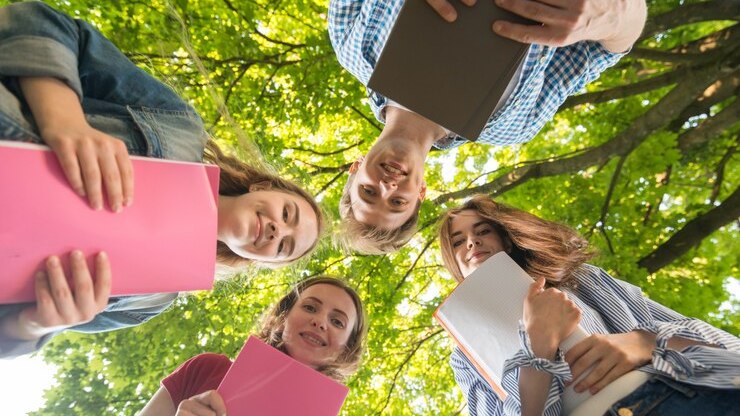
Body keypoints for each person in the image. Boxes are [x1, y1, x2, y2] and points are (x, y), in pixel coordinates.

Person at [0, 2, 323, 358]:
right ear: (263, 187)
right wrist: (64, 120)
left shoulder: (149, 299)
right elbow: (38, 18)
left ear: (258, 261)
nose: (279, 231)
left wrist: (34, 324)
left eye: (283, 247)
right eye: (288, 214)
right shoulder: (178, 127)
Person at [329, 0, 648, 254]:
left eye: (368, 192)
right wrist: (615, 14)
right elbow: (610, 44)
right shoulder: (514, 125)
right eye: (398, 202)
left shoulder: (350, 45)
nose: (387, 187)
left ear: (355, 169)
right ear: (421, 193)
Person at [437, 195, 740, 416]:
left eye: (482, 231)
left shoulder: (582, 280)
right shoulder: (465, 354)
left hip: (683, 396)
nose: (472, 243)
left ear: (505, 238)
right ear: (453, 261)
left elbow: (726, 350)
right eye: (458, 241)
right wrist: (537, 349)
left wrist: (644, 342)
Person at [137, 276, 368, 416]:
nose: (319, 321)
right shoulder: (206, 368)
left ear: (346, 349)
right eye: (309, 307)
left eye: (337, 322)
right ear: (283, 317)